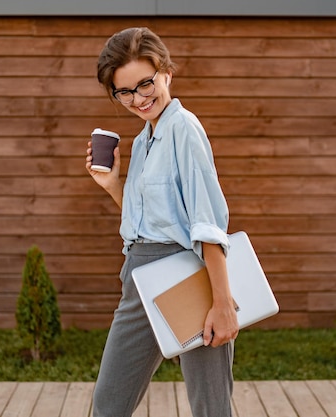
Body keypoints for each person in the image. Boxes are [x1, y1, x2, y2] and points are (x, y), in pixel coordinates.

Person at [87, 27, 239, 417]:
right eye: (125, 91)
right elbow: (152, 219)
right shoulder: (142, 140)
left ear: (166, 73)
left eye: (145, 83)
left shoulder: (183, 129)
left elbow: (206, 222)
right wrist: (112, 185)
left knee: (211, 406)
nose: (138, 98)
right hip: (141, 280)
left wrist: (222, 305)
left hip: (189, 275)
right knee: (109, 402)